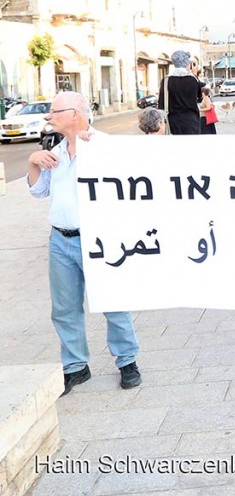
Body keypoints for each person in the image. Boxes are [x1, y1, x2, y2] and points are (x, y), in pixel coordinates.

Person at [27, 92, 142, 395]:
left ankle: (127, 361)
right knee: (64, 307)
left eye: (54, 110)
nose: (49, 116)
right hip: (60, 239)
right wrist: (33, 163)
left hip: (98, 237)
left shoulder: (103, 145)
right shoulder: (56, 149)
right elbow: (40, 192)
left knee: (112, 300)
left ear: (75, 114)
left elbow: (130, 185)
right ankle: (75, 367)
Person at [158, 50, 202, 135]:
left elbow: (161, 103)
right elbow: (199, 96)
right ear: (187, 63)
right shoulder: (193, 80)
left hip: (172, 121)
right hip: (191, 120)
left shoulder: (166, 80)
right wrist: (194, 73)